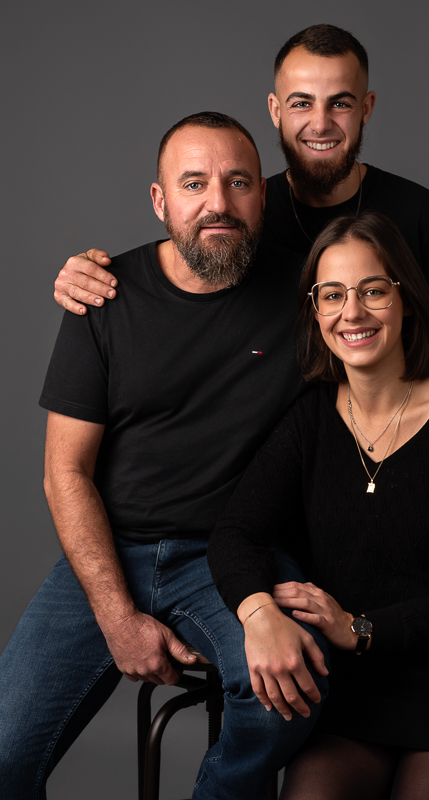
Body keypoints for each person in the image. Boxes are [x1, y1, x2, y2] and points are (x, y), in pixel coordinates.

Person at [52, 24, 429, 549]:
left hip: (398, 472)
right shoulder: (239, 213)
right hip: (283, 495)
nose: (321, 123)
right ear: (275, 109)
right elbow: (187, 252)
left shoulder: (419, 216)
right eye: (302, 102)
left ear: (368, 108)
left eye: (342, 103)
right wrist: (90, 273)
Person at [0, 113, 330, 800]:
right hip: (107, 551)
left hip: (232, 557)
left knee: (285, 694)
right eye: (194, 183)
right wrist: (117, 618)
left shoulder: (308, 296)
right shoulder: (104, 295)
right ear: (160, 201)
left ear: (262, 195)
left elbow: (404, 362)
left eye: (239, 182)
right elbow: (64, 471)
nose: (218, 202)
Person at [207, 212, 429, 800]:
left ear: (408, 301)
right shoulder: (308, 422)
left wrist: (358, 629)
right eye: (333, 294)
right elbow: (234, 534)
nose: (353, 312)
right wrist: (258, 611)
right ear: (316, 312)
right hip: (358, 696)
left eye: (373, 290)